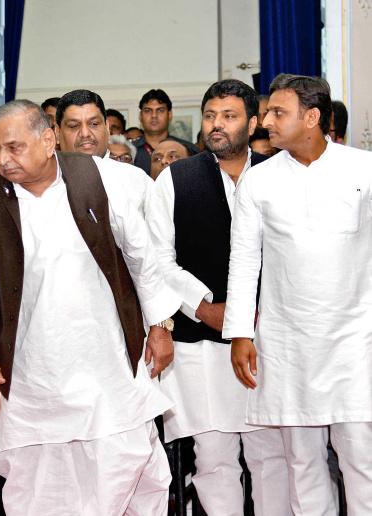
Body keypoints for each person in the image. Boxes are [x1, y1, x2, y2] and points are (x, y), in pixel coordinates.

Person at [0, 99, 181, 515]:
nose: (4, 160)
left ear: (47, 140)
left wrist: (160, 325)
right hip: (32, 373)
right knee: (39, 480)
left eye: (15, 147)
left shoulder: (102, 180)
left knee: (125, 466)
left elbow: (142, 259)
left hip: (106, 363)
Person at [223, 73, 372, 515]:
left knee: (361, 459)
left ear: (311, 118)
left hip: (355, 339)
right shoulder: (259, 180)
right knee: (302, 462)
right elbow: (244, 260)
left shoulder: (364, 168)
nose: (266, 120)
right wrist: (239, 334)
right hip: (287, 341)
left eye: (277, 112)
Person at [146, 79, 291, 515]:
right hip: (201, 341)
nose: (217, 125)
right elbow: (158, 260)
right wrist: (205, 309)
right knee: (213, 458)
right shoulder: (175, 179)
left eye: (229, 116)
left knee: (271, 454)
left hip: (268, 339)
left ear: (253, 122)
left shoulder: (277, 174)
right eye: (211, 116)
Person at [134, 89, 199, 175]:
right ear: (140, 116)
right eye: (148, 111)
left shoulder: (188, 150)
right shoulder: (129, 151)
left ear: (170, 114)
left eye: (160, 110)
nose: (154, 116)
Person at [55, 89, 110, 157]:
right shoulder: (44, 168)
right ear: (57, 133)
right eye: (73, 126)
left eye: (94, 124)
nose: (85, 134)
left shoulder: (124, 168)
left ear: (107, 128)